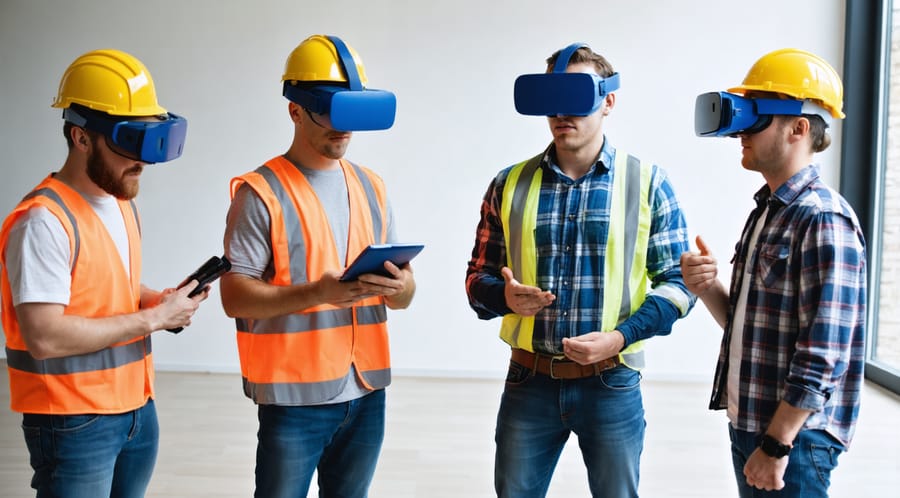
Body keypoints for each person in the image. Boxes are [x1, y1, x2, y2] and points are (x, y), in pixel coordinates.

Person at [465, 42, 695, 498]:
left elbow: (678, 285)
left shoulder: (648, 183)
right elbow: (477, 281)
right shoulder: (508, 184)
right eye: (552, 98)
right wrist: (503, 297)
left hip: (612, 382)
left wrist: (621, 337)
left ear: (609, 101)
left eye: (577, 97)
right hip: (528, 381)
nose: (561, 113)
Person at [0, 49, 207, 497]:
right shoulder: (42, 222)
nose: (142, 161)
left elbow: (106, 285)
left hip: (136, 407)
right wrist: (153, 319)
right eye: (127, 143)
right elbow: (45, 337)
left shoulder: (120, 203)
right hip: (73, 420)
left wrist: (157, 300)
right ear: (81, 138)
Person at [220, 34, 416, 498]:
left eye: (352, 113)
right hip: (295, 399)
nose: (343, 128)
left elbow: (406, 296)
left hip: (367, 392)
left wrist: (401, 286)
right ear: (295, 110)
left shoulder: (372, 187)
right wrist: (317, 292)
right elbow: (233, 297)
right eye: (331, 113)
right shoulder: (260, 193)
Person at [682, 48, 867, 497]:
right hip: (754, 424)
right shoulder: (769, 211)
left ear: (798, 128)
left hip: (794, 439)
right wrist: (707, 288)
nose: (741, 132)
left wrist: (777, 444)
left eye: (756, 118)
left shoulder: (823, 218)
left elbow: (823, 352)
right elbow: (752, 327)